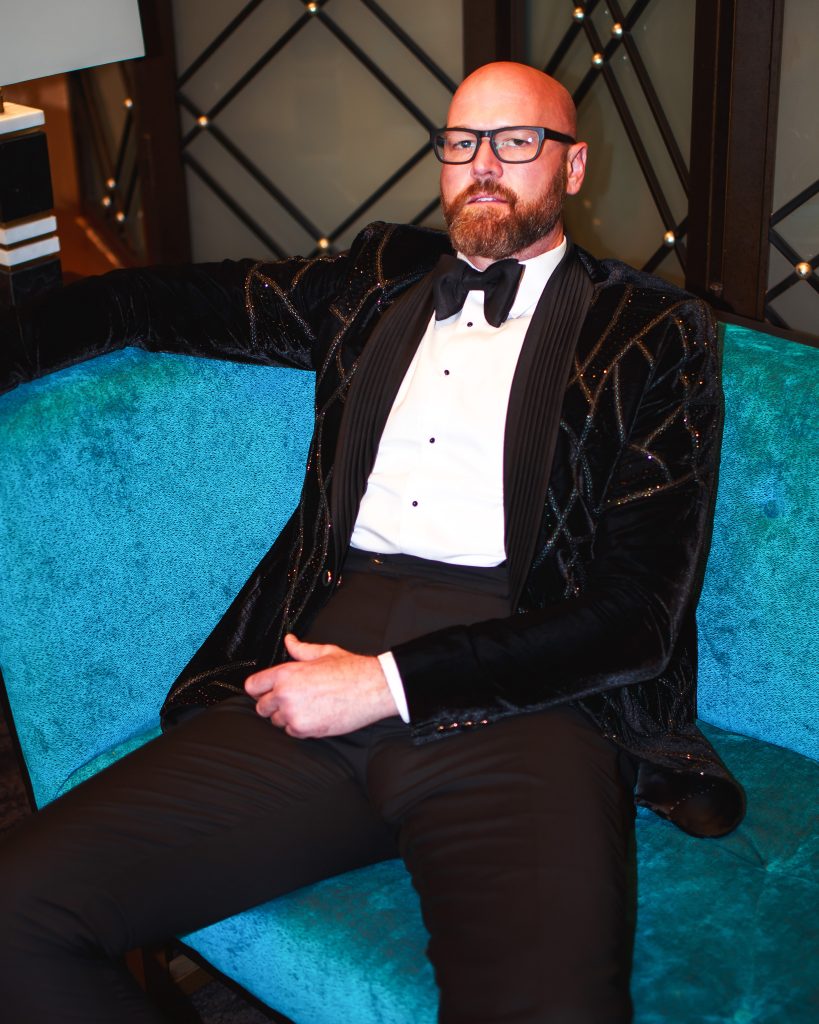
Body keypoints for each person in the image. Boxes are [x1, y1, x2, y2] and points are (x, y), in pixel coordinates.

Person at [0, 62, 743, 1023]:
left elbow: (638, 617)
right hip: (314, 666)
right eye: (460, 143)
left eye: (516, 141)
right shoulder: (375, 281)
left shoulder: (649, 331)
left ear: (572, 166)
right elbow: (145, 301)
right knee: (18, 912)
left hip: (528, 700)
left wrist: (386, 684)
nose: (482, 165)